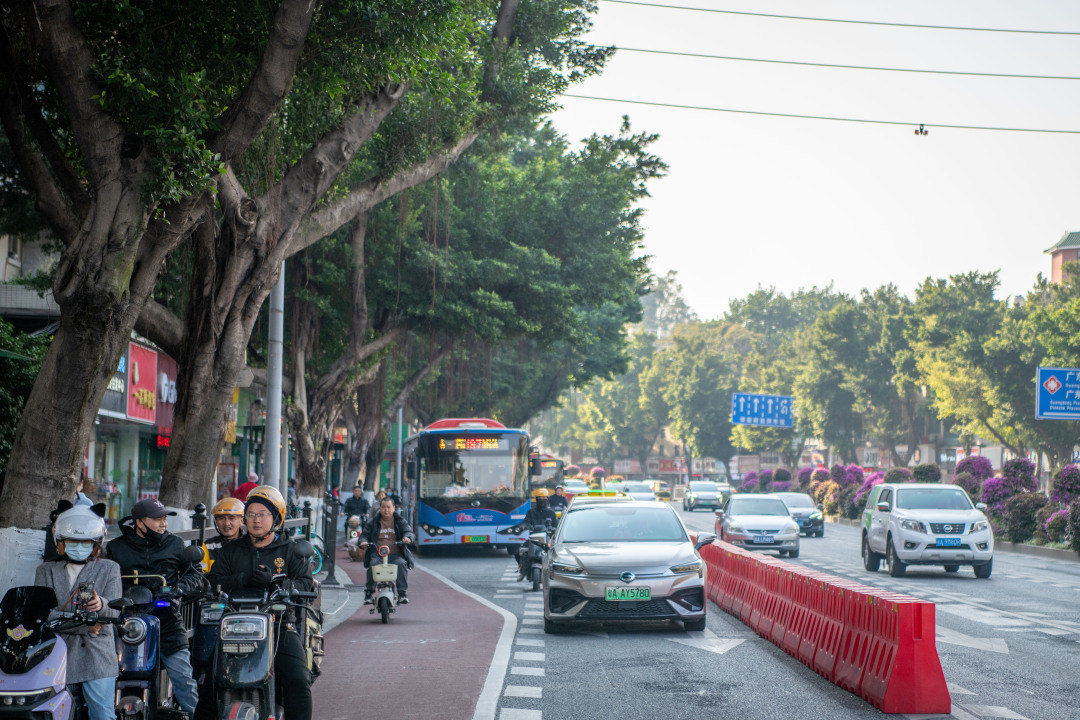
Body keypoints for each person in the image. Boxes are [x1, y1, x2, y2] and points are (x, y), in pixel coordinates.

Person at [207, 486, 316, 720]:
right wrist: (243, 579)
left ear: (276, 517)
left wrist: (277, 584)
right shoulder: (231, 549)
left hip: (279, 625)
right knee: (209, 682)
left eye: (263, 514)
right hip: (234, 626)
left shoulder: (291, 549)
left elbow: (306, 583)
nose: (256, 520)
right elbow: (214, 580)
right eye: (251, 514)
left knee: (298, 680)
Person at [104, 498, 202, 718]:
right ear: (139, 522)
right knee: (107, 677)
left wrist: (178, 589)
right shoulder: (115, 547)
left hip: (167, 619)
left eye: (165, 518)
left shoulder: (175, 544)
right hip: (126, 625)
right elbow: (105, 581)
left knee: (184, 679)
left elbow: (195, 573)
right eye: (157, 519)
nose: (163, 523)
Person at [35, 506, 122, 720]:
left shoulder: (109, 568)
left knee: (102, 714)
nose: (79, 547)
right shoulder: (46, 570)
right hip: (56, 653)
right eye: (73, 541)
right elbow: (42, 614)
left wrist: (100, 604)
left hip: (96, 654)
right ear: (60, 543)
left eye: (85, 542)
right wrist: (89, 626)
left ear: (95, 544)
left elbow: (114, 611)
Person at [358, 496, 415, 605]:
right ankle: (369, 593)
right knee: (373, 565)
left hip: (396, 554)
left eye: (389, 507)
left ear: (394, 508)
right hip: (377, 554)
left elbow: (408, 532)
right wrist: (363, 542)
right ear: (380, 508)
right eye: (383, 507)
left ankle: (402, 593)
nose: (386, 510)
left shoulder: (400, 521)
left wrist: (407, 538)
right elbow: (364, 535)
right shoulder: (373, 522)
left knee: (401, 564)